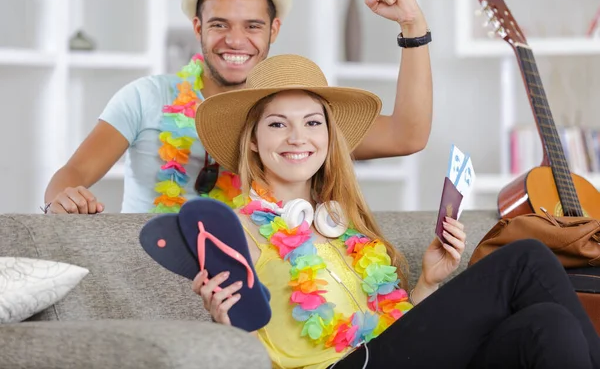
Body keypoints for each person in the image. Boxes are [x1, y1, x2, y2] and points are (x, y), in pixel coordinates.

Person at [191, 54, 600, 369]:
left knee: (549, 324)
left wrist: (427, 281)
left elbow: (396, 334)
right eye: (278, 125)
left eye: (313, 122)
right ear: (253, 141)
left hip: (384, 357)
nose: (299, 137)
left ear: (329, 137)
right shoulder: (235, 229)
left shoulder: (339, 224)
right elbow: (244, 345)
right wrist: (223, 323)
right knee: (524, 259)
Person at [43, 0, 433, 215]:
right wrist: (63, 198)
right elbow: (72, 174)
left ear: (274, 31)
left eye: (252, 26)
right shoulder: (144, 97)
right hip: (151, 272)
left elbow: (407, 135)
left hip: (248, 281)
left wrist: (413, 27)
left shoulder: (291, 116)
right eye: (219, 25)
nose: (235, 40)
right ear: (197, 28)